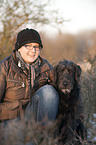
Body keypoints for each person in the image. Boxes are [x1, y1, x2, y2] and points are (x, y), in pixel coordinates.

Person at [0, 28, 59, 122]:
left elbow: (66, 94)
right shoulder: (4, 67)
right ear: (19, 48)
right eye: (28, 46)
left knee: (49, 91)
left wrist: (77, 120)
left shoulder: (46, 67)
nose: (33, 50)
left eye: (36, 47)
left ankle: (44, 134)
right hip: (11, 121)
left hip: (34, 118)